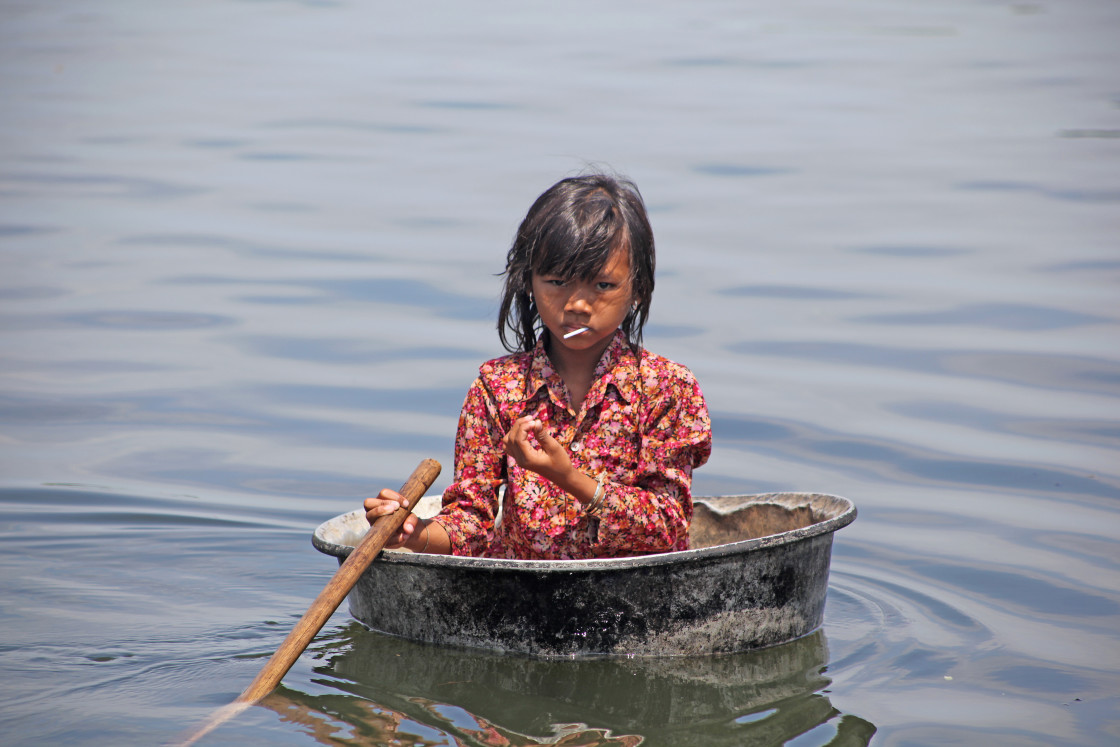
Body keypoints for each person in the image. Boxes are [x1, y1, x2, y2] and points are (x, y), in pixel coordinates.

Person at [363, 174, 711, 560]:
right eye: (557, 281)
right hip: (521, 594)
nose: (577, 304)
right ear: (528, 282)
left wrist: (569, 479)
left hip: (638, 592)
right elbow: (471, 523)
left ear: (638, 288)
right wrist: (413, 533)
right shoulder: (498, 387)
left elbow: (667, 527)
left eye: (603, 286)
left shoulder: (668, 387)